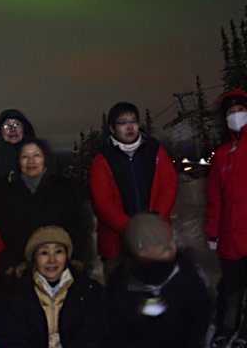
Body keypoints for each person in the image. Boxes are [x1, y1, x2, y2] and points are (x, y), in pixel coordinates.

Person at [89, 101, 178, 278]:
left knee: (157, 293)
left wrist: (154, 224)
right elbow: (102, 203)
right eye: (122, 122)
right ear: (112, 129)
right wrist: (132, 229)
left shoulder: (155, 152)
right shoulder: (102, 160)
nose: (129, 126)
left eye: (133, 121)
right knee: (121, 296)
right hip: (117, 244)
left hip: (156, 240)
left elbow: (169, 186)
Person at [0, 225, 107, 348]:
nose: (52, 260)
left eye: (58, 251)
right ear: (34, 258)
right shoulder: (14, 294)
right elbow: (9, 340)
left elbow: (92, 336)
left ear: (67, 256)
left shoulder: (88, 290)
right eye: (44, 253)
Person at [106, 213, 209, 347]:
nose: (172, 249)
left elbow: (199, 317)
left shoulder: (187, 273)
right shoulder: (120, 287)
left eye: (167, 244)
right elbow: (117, 335)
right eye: (160, 245)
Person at [0, 139, 93, 274]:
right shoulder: (5, 195)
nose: (31, 161)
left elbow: (82, 230)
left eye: (36, 155)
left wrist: (79, 260)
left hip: (62, 268)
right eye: (25, 157)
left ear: (45, 158)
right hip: (20, 271)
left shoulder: (69, 190)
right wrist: (8, 264)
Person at [206, 88, 247, 348]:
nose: (236, 115)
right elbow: (215, 197)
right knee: (230, 287)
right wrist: (213, 231)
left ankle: (244, 331)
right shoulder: (223, 153)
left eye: (240, 110)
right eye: (231, 112)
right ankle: (225, 327)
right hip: (231, 235)